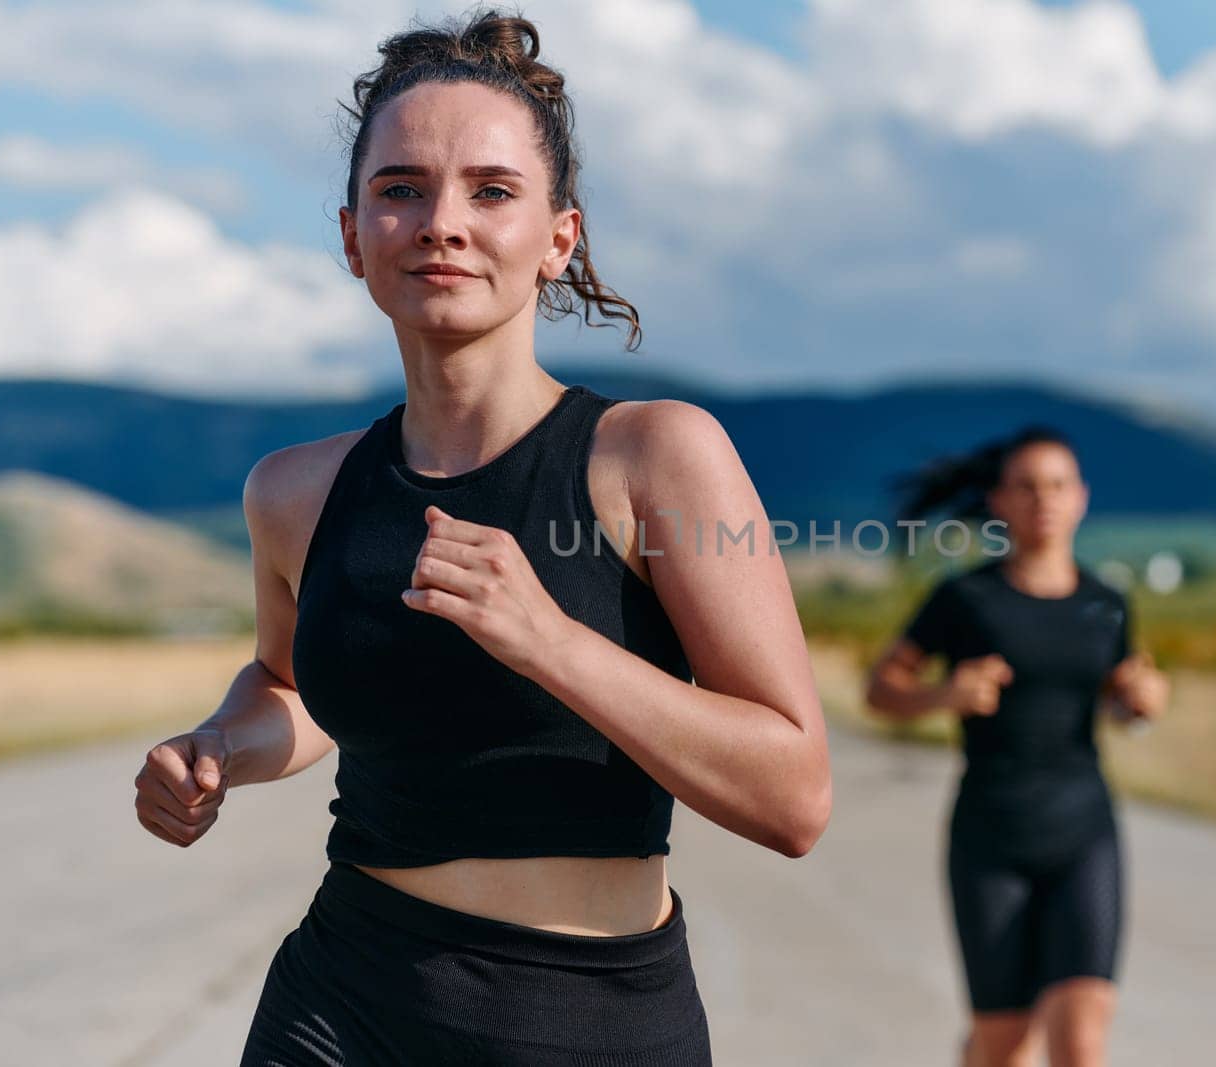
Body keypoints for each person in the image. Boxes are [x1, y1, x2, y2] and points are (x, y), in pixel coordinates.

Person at [129, 10, 831, 1064]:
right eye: (400, 187)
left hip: (588, 1018)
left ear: (559, 239)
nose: (440, 221)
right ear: (352, 233)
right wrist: (221, 746)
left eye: (490, 190)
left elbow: (794, 795)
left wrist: (548, 637)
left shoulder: (654, 457)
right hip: (342, 999)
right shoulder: (295, 491)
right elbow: (290, 687)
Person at [863, 425, 1169, 1067]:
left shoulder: (1107, 606)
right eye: (1026, 487)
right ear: (998, 501)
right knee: (1003, 1046)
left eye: (1058, 485)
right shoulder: (965, 598)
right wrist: (943, 695)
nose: (1044, 500)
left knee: (1082, 1043)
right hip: (991, 837)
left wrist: (1141, 703)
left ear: (1082, 497)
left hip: (1084, 833)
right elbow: (881, 688)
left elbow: (1123, 697)